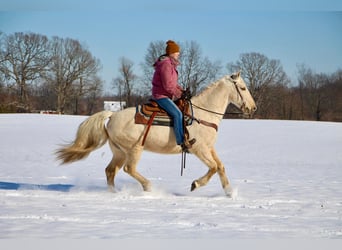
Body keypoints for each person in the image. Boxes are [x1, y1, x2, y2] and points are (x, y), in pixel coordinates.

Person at [151, 40, 196, 151]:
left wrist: (182, 91)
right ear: (171, 53)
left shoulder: (170, 64)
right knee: (178, 114)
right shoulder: (166, 64)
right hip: (161, 95)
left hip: (166, 95)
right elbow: (167, 86)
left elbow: (173, 84)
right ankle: (181, 142)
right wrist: (180, 94)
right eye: (177, 52)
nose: (178, 54)